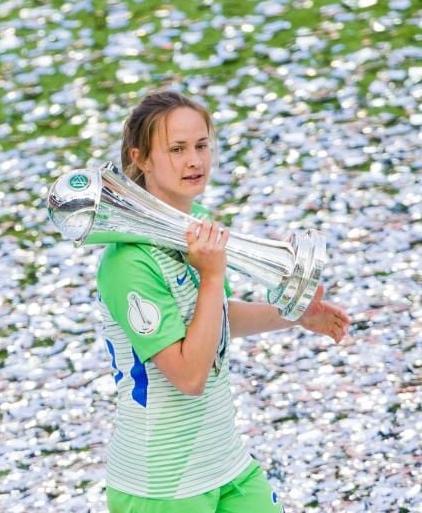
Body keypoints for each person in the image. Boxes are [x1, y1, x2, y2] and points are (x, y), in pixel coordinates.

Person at [96, 89, 350, 513]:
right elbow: (189, 376)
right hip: (162, 486)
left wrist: (294, 314)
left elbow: (216, 318)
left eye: (201, 145)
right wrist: (212, 276)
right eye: (176, 149)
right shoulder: (129, 262)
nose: (194, 161)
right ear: (140, 159)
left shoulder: (193, 232)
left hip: (225, 464)